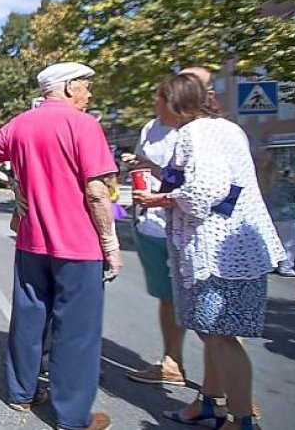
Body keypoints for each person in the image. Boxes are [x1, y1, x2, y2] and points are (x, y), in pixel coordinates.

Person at [0, 62, 118, 430]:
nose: (89, 93)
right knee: (76, 331)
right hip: (78, 245)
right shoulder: (85, 125)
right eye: (84, 86)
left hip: (33, 241)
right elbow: (97, 192)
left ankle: (21, 393)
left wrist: (13, 182)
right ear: (65, 88)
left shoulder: (21, 123)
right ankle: (73, 416)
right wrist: (110, 244)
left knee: (30, 317)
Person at [133, 74, 286, 430]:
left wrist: (161, 199)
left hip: (216, 250)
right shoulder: (226, 129)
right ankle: (210, 403)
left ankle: (240, 418)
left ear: (175, 102)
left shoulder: (194, 134)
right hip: (238, 247)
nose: (155, 108)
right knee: (214, 331)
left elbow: (206, 192)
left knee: (219, 334)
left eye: (159, 100)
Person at [120, 113, 187, 387]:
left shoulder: (204, 132)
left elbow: (211, 190)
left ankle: (232, 392)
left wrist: (159, 193)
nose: (159, 102)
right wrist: (140, 165)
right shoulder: (151, 126)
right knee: (167, 297)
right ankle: (172, 363)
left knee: (215, 317)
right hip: (152, 224)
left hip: (192, 230)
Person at [265, 165, 295, 277]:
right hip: (288, 217)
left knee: (274, 242)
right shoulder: (290, 186)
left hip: (273, 217)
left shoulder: (272, 186)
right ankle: (286, 267)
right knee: (290, 243)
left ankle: (274, 265)